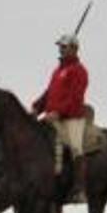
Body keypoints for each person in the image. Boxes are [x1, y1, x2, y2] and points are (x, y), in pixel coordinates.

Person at [32, 33, 90, 203]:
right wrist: (37, 107)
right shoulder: (58, 71)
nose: (61, 50)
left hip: (72, 118)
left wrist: (58, 112)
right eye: (60, 47)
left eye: (64, 47)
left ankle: (80, 189)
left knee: (75, 147)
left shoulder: (79, 71)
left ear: (74, 49)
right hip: (52, 117)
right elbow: (49, 93)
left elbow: (75, 97)